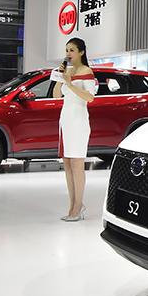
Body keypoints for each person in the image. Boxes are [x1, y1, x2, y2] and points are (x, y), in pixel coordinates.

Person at [52, 38, 97, 222]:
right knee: (68, 163)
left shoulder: (87, 72)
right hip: (66, 121)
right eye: (66, 50)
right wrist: (60, 78)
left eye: (72, 50)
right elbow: (56, 96)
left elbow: (90, 98)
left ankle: (78, 207)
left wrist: (70, 84)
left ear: (81, 52)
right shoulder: (68, 71)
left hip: (78, 121)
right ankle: (73, 205)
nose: (68, 53)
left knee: (77, 164)